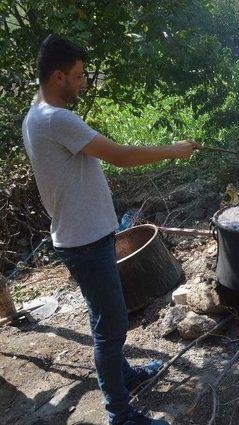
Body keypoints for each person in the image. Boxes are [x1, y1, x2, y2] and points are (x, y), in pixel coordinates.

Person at [22, 34, 198, 425]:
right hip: (84, 240)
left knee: (105, 316)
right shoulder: (56, 119)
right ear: (57, 77)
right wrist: (173, 149)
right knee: (110, 326)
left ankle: (124, 376)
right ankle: (119, 413)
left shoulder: (35, 115)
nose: (84, 81)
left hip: (83, 235)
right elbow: (119, 155)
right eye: (79, 75)